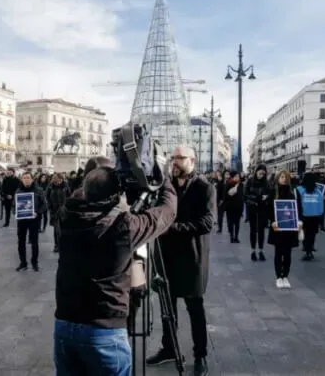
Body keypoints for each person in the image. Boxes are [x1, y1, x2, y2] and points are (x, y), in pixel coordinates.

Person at [54, 157, 178, 376]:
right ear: (116, 195)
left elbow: (81, 198)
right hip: (104, 330)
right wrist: (163, 177)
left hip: (65, 324)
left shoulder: (66, 215)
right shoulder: (123, 227)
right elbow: (167, 212)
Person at [147, 146, 216, 376]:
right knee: (168, 308)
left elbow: (206, 222)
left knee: (195, 309)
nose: (175, 162)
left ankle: (200, 355)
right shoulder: (166, 187)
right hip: (166, 257)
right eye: (173, 157)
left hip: (192, 258)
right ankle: (169, 348)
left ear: (192, 160)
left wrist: (173, 228)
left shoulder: (204, 188)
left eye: (180, 158)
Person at [268, 170, 303, 289]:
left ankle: (285, 276)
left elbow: (299, 208)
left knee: (288, 253)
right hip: (277, 227)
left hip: (290, 227)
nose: (284, 179)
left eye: (286, 177)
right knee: (278, 253)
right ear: (278, 178)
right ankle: (278, 277)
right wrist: (272, 221)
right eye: (282, 177)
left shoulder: (294, 191)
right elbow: (268, 209)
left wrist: (300, 222)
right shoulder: (273, 192)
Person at [15, 172, 47, 271]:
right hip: (22, 220)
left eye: (28, 178)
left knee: (34, 242)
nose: (26, 179)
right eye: (24, 178)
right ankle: (23, 263)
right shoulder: (18, 191)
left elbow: (45, 205)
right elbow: (14, 205)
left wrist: (37, 212)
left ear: (32, 179)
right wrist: (15, 212)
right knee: (21, 241)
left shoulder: (39, 190)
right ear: (22, 180)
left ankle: (34, 262)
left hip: (34, 220)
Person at [296, 172, 324, 262]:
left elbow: (297, 203)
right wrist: (321, 214)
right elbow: (321, 203)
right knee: (312, 233)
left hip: (304, 215)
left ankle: (307, 250)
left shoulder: (299, 189)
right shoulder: (318, 190)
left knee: (305, 233)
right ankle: (310, 248)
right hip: (315, 215)